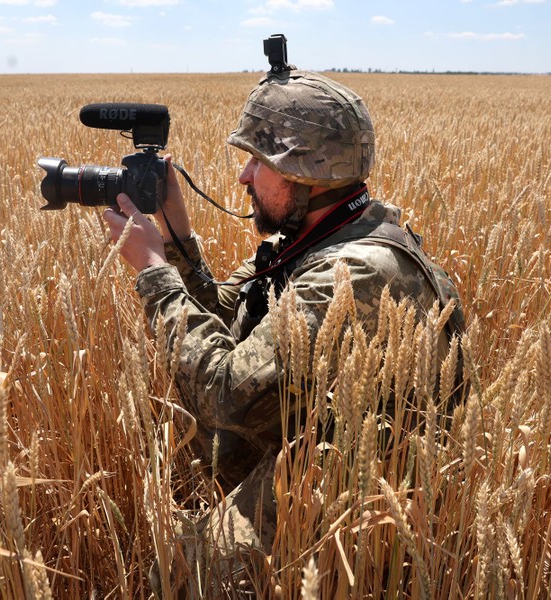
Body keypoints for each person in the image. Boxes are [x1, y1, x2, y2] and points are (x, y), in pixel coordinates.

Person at [101, 67, 464, 587]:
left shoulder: (352, 273)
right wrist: (177, 236)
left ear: (303, 172)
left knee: (182, 579)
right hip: (328, 453)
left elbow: (226, 393)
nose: (243, 176)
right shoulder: (328, 236)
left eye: (257, 160)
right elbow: (229, 319)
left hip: (371, 495)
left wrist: (154, 274)